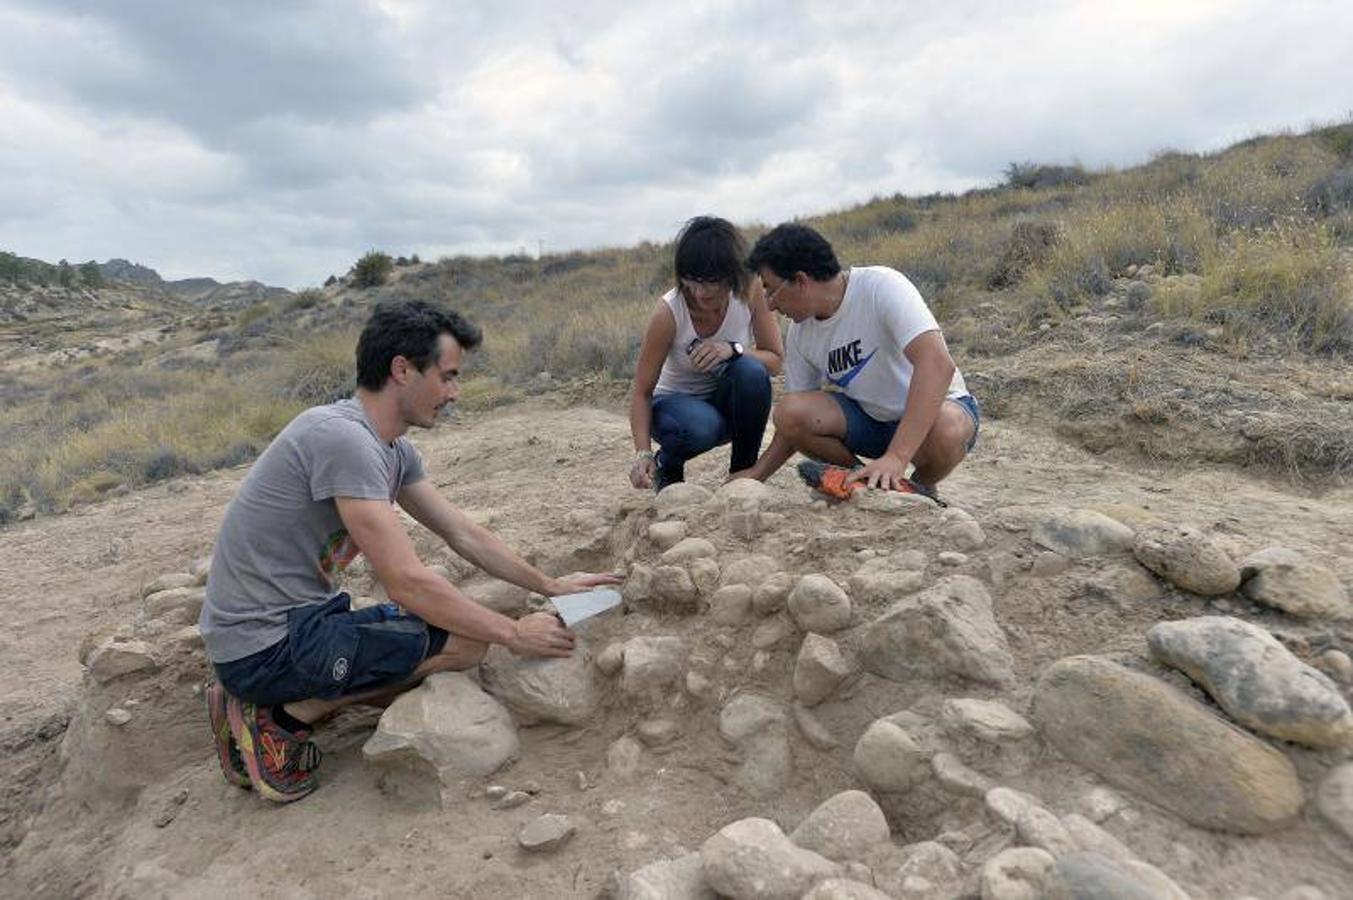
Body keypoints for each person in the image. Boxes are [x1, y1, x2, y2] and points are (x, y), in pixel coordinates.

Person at [199, 299, 621, 803]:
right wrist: (512, 632)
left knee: (458, 630)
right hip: (264, 646)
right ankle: (276, 717)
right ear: (402, 369)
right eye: (447, 376)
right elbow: (407, 582)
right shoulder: (345, 441)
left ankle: (271, 698)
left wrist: (551, 585)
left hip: (283, 628)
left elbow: (460, 531)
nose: (454, 393)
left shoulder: (389, 447)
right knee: (467, 643)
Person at [731, 223, 979, 494]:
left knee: (947, 427)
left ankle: (920, 486)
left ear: (800, 281)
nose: (768, 304)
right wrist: (757, 474)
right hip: (873, 422)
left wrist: (896, 457)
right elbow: (791, 424)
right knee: (790, 412)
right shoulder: (801, 333)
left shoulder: (881, 286)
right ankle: (866, 483)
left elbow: (937, 365)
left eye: (771, 290)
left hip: (935, 415)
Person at [628, 216, 784, 492]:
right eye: (692, 281)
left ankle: (742, 477)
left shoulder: (750, 290)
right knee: (702, 427)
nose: (700, 293)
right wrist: (643, 453)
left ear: (733, 275)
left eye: (712, 282)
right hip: (674, 409)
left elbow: (774, 360)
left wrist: (733, 350)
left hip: (725, 403)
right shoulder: (669, 312)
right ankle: (668, 465)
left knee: (751, 372)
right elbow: (641, 391)